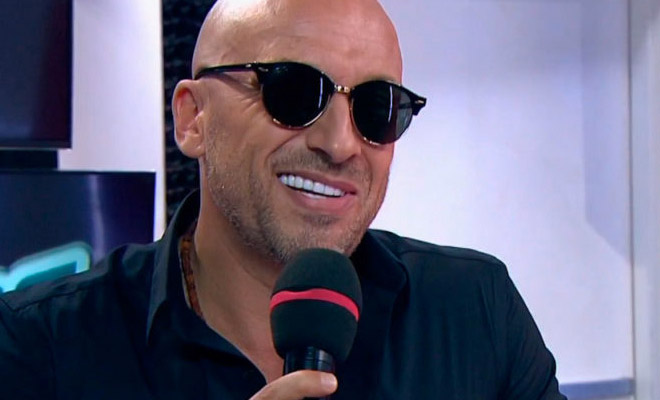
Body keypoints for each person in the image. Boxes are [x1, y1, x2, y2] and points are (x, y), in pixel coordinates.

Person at [0, 0, 566, 399]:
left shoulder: (475, 311)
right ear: (193, 118)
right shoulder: (40, 346)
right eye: (292, 91)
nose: (339, 144)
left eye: (377, 108)